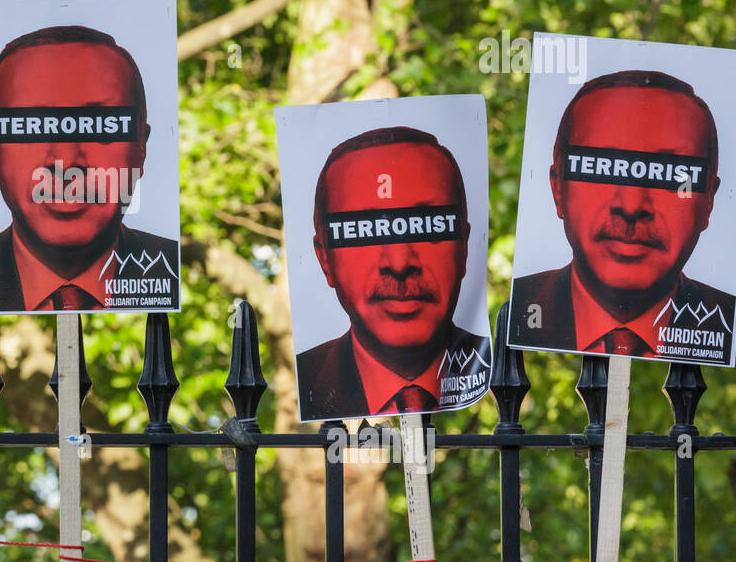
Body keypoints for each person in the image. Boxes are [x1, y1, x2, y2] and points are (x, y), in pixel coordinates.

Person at [509, 70, 733, 363]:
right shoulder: (517, 310)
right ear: (558, 189)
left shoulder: (729, 323)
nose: (630, 205)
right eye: (603, 167)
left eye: (669, 173)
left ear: (708, 201)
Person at [0, 25, 179, 312]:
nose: (66, 161)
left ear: (141, 148)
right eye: (33, 127)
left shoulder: (175, 272)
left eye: (99, 125)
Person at [295, 126, 490, 422]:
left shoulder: (504, 377)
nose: (399, 263)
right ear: (324, 257)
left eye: (427, 224)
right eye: (365, 230)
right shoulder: (308, 378)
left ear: (464, 245)